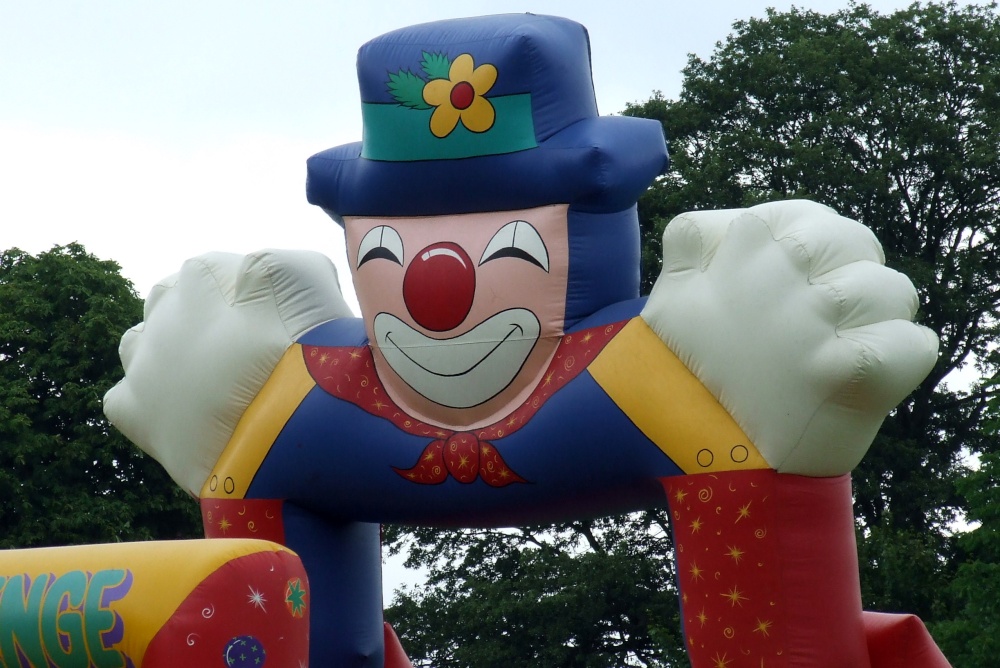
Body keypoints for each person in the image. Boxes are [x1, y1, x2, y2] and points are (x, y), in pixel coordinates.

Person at [106, 14, 949, 668]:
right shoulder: (275, 401)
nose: (438, 288)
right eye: (385, 250)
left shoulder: (689, 375)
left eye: (510, 243)